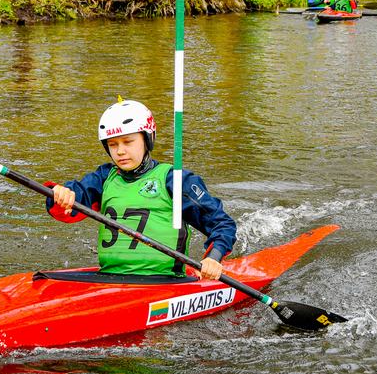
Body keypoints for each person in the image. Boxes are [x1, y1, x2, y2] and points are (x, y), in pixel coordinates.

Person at [47, 99, 236, 280]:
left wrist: (214, 257)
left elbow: (222, 224)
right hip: (109, 279)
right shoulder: (104, 177)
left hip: (165, 281)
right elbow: (71, 204)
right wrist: (62, 194)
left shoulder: (175, 180)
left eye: (128, 142)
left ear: (147, 139)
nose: (120, 151)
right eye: (113, 144)